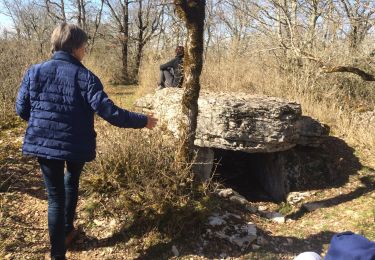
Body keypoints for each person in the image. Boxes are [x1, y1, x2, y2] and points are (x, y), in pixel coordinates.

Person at [15, 22, 157, 260]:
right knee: (70, 184)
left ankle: (61, 247)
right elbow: (110, 113)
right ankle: (65, 236)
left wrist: (42, 122)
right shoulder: (86, 77)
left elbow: (21, 110)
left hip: (44, 142)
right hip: (76, 144)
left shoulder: (34, 72)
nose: (85, 51)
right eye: (84, 46)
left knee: (55, 197)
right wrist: (143, 120)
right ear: (75, 48)